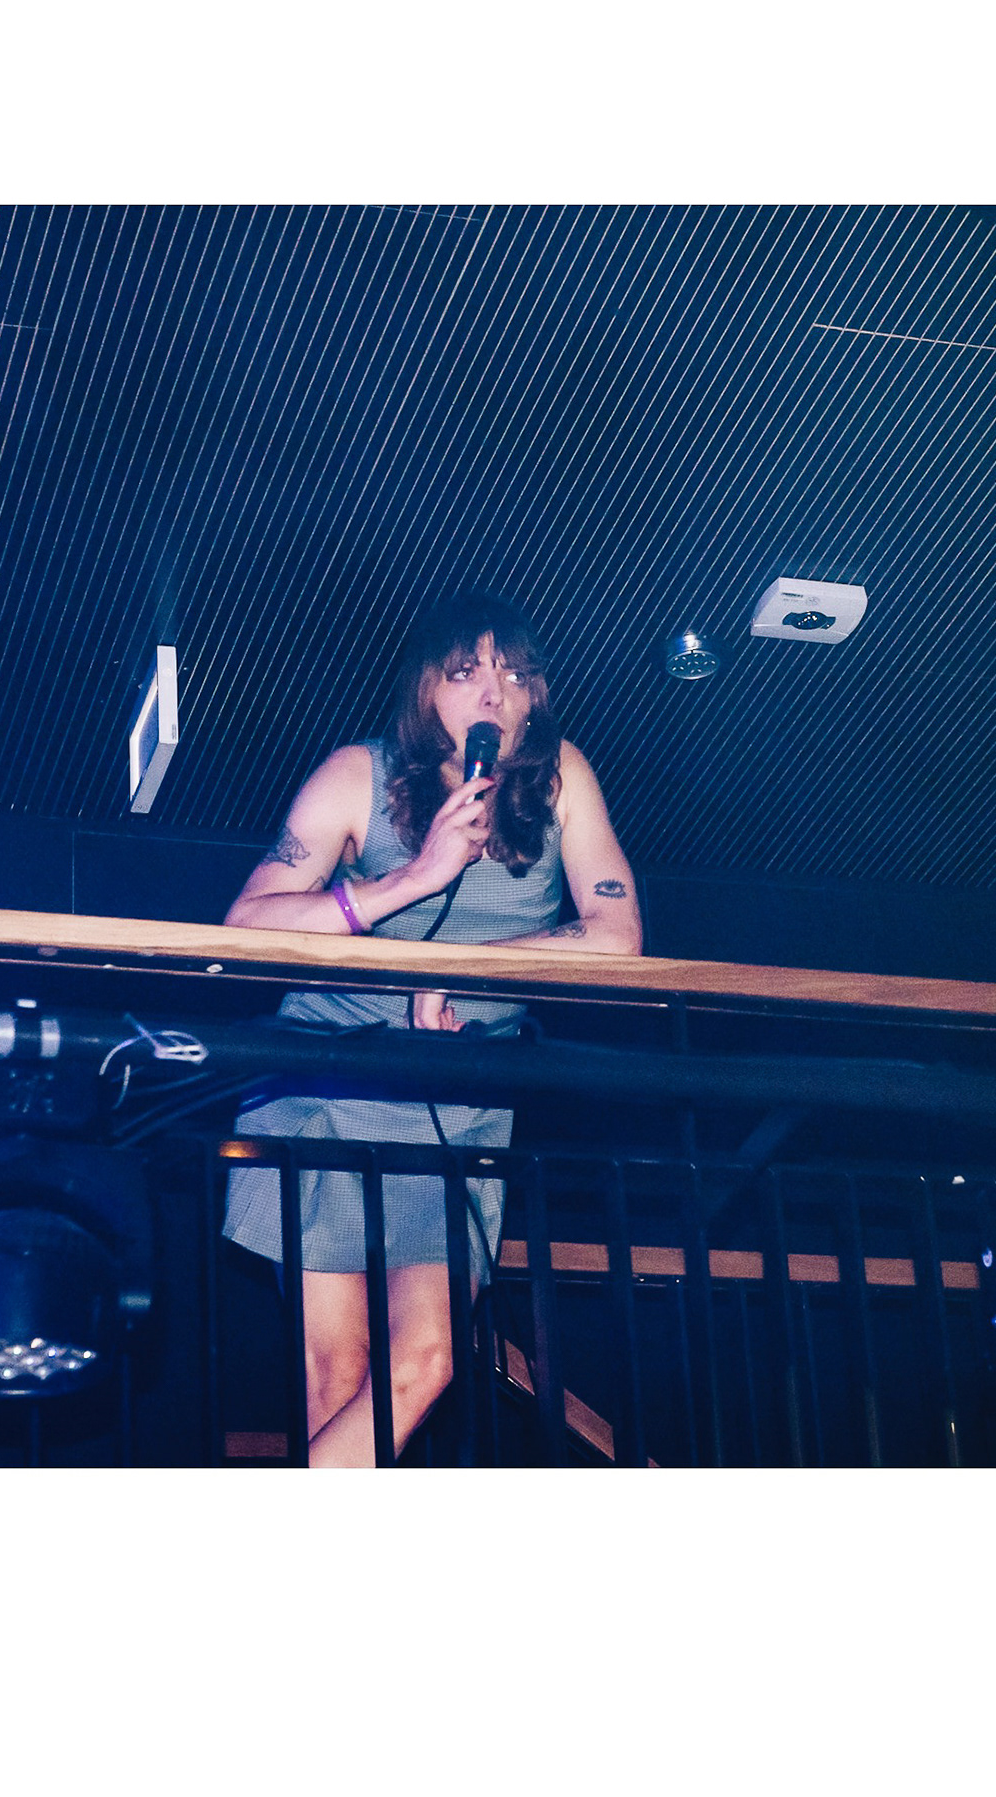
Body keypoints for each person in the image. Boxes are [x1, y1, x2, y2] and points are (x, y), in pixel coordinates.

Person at [220, 592, 642, 1465]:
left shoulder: (561, 779)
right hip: (327, 1092)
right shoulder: (358, 774)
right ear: (424, 688)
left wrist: (461, 968)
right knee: (337, 1376)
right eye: (467, 673)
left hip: (460, 1108)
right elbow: (248, 924)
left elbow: (617, 935)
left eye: (514, 676)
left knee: (430, 1359)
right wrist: (410, 880)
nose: (494, 693)